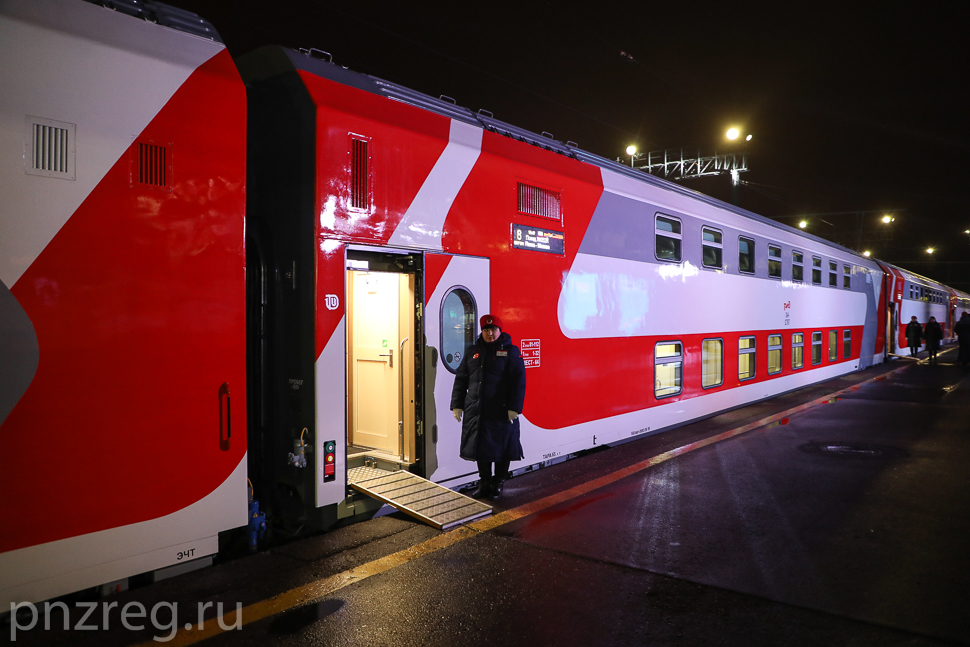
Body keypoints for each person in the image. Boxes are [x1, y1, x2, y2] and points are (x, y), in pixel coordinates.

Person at [450, 314, 526, 501]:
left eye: (493, 330)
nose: (490, 333)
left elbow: (518, 381)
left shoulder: (511, 351)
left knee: (503, 448)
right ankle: (484, 482)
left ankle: (498, 482)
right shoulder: (473, 351)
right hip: (478, 410)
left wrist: (514, 408)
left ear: (500, 331)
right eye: (486, 330)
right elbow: (461, 379)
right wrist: (457, 405)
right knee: (480, 447)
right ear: (482, 331)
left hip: (501, 411)